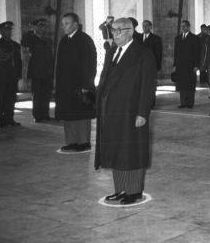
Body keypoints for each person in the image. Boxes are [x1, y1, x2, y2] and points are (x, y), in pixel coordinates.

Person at [95, 18, 156, 205]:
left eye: (118, 30)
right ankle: (121, 189)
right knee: (117, 150)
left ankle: (134, 191)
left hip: (131, 111)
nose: (114, 34)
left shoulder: (143, 53)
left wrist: (142, 113)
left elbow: (147, 86)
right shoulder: (113, 51)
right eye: (113, 30)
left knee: (132, 151)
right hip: (112, 110)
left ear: (130, 31)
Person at [55, 13, 97, 152]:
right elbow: (59, 65)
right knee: (69, 114)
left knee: (81, 114)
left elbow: (90, 64)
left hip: (80, 86)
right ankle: (72, 142)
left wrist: (87, 85)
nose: (64, 26)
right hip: (66, 86)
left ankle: (84, 142)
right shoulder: (64, 40)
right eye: (63, 24)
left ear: (75, 24)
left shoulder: (84, 40)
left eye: (67, 23)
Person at [21, 18, 54, 122]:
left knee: (46, 95)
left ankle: (45, 114)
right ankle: (38, 116)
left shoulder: (47, 40)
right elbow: (24, 43)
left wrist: (52, 71)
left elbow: (50, 56)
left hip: (47, 72)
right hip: (36, 72)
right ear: (34, 27)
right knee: (37, 96)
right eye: (39, 26)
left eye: (43, 26)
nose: (42, 28)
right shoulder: (30, 39)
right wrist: (31, 30)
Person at [173, 20, 200, 109]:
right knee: (181, 84)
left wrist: (196, 65)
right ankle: (183, 102)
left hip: (190, 65)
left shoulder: (194, 38)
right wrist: (174, 65)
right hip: (180, 65)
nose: (183, 28)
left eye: (184, 26)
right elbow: (175, 53)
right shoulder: (178, 38)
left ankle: (190, 103)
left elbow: (197, 52)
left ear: (188, 27)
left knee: (190, 84)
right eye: (182, 26)